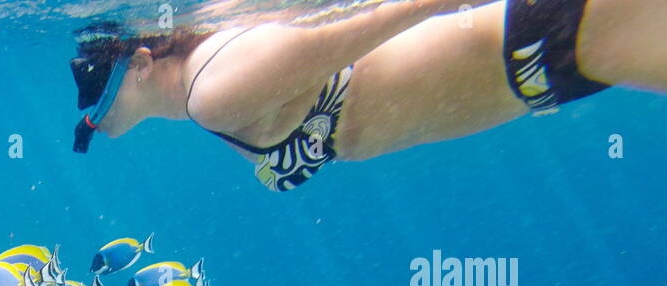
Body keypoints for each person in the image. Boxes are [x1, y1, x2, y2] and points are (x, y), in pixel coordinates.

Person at [70, 0, 667, 190]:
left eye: (94, 80)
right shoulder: (209, 89)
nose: (90, 107)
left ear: (142, 62)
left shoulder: (213, 90)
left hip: (530, 40)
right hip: (534, 62)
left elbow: (372, 22)